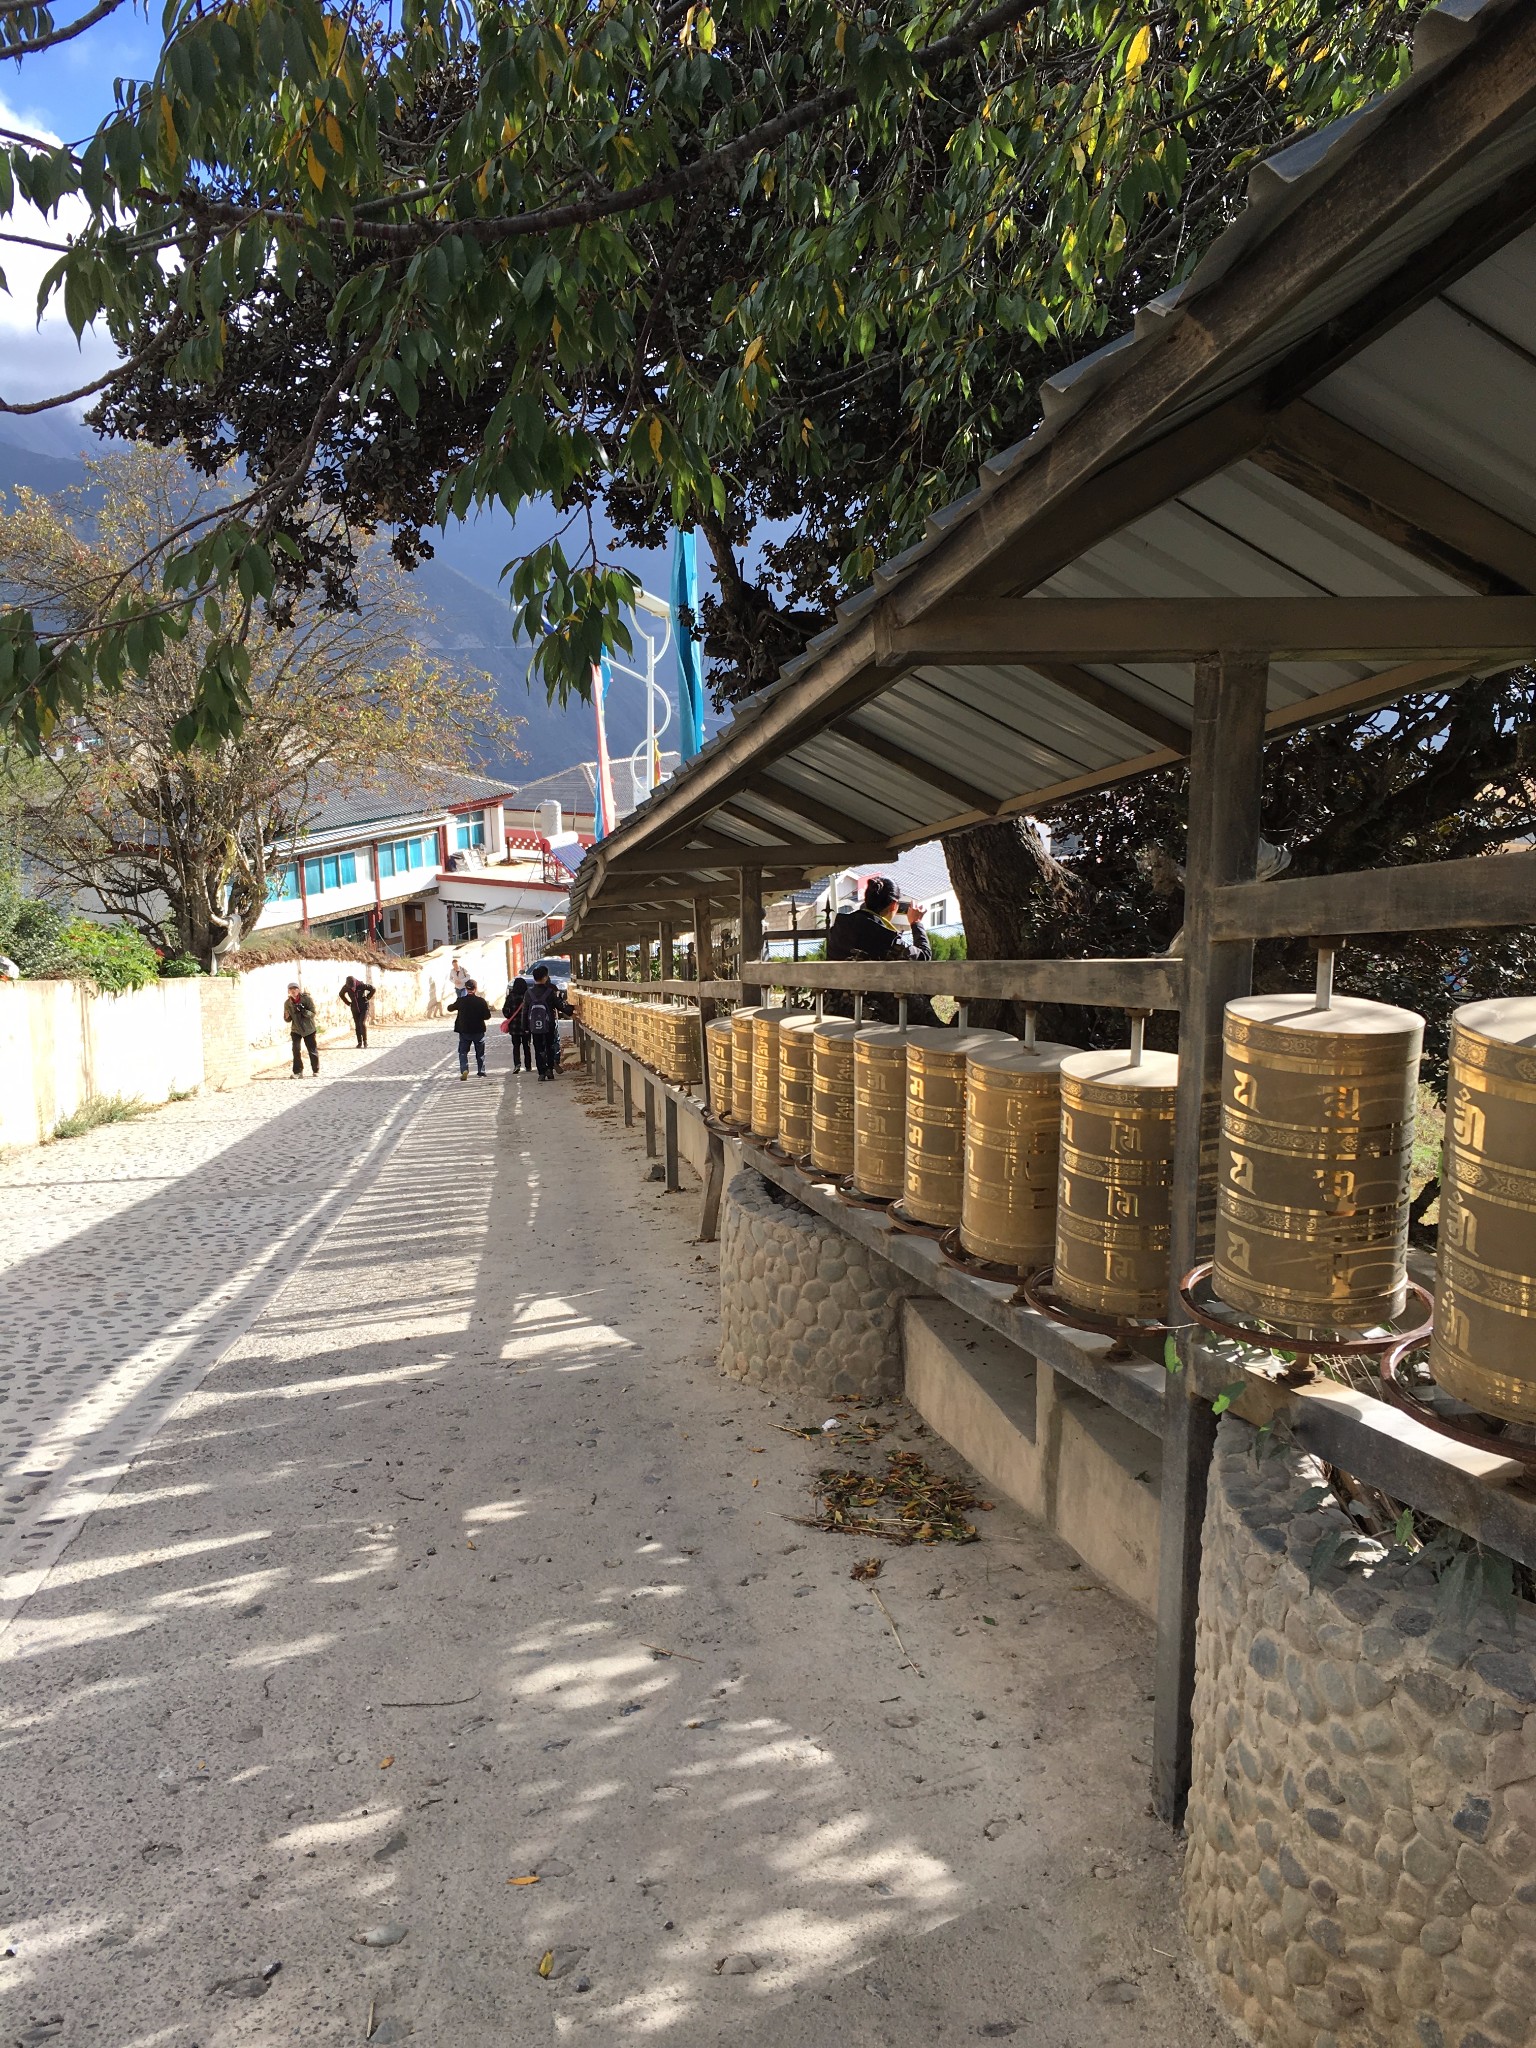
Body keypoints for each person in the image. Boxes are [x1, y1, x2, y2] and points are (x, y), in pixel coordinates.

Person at [825, 876, 938, 1025]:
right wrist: (916, 923)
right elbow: (923, 956)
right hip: (872, 1014)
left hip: (834, 1007)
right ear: (893, 906)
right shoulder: (887, 939)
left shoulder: (839, 928)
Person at [525, 964, 568, 1082]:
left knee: (538, 1048)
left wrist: (526, 1027)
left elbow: (525, 1011)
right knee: (549, 1047)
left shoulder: (529, 993)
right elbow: (560, 1006)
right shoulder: (549, 992)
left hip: (534, 1026)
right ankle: (549, 1069)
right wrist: (572, 1009)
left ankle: (541, 1072)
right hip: (549, 1024)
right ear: (544, 978)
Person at [448, 976, 492, 1078]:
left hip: (464, 1031)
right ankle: (481, 1071)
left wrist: (454, 1005)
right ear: (475, 988)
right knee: (480, 1053)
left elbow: (450, 1008)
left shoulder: (461, 1000)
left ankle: (464, 1069)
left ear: (466, 989)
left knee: (463, 1052)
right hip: (478, 1031)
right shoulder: (481, 1001)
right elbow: (487, 1016)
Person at [284, 981, 320, 1075]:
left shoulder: (306, 999)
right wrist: (286, 1017)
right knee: (295, 1050)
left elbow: (313, 1013)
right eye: (291, 989)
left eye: (295, 989)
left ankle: (315, 1070)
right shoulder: (287, 1003)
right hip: (296, 1030)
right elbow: (288, 1019)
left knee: (312, 1050)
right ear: (288, 991)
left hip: (308, 1029)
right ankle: (298, 1071)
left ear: (299, 990)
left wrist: (304, 1011)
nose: (293, 991)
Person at [502, 973, 531, 1072]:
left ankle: (517, 1064)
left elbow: (505, 1011)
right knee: (526, 1046)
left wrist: (510, 1017)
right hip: (526, 1025)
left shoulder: (511, 997)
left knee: (516, 1046)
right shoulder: (527, 996)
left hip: (514, 1026)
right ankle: (528, 1065)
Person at [339, 973, 376, 1048]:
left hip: (364, 1007)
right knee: (357, 1025)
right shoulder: (346, 987)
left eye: (353, 987)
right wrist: (348, 1003)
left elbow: (373, 989)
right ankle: (359, 1042)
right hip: (354, 1008)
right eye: (350, 988)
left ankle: (365, 1041)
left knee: (362, 1023)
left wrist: (368, 997)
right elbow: (341, 994)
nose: (352, 989)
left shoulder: (361, 985)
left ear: (355, 983)